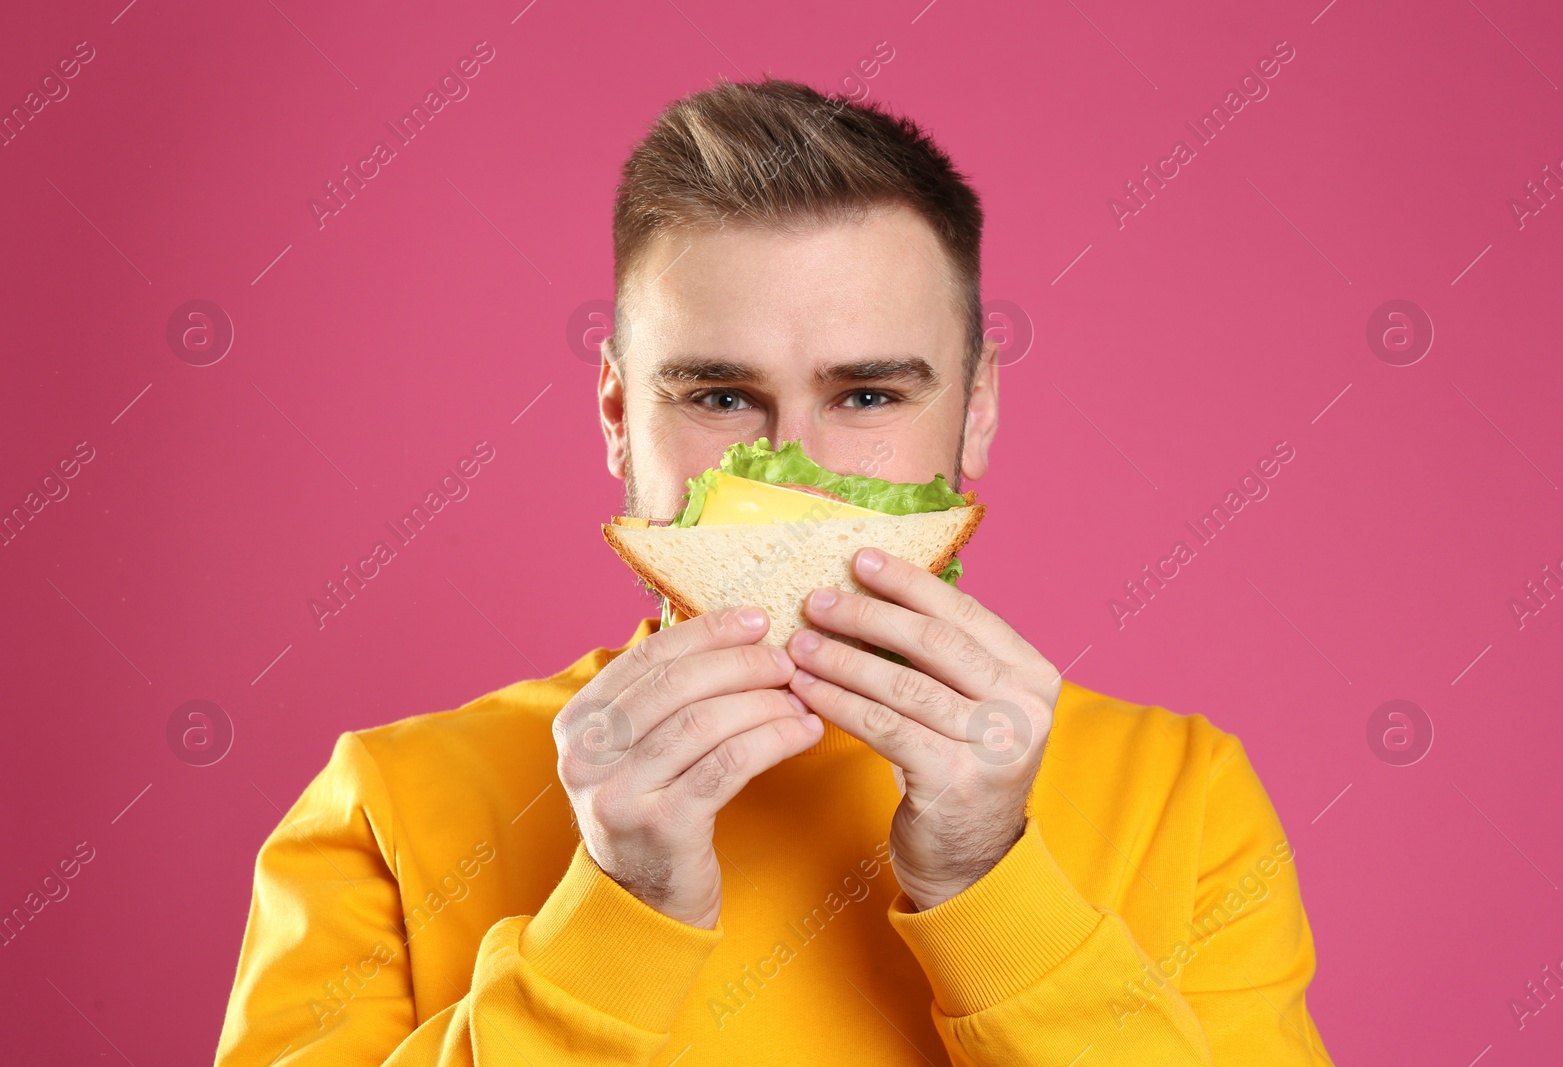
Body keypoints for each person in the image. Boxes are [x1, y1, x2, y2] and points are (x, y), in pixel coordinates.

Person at [214, 75, 1334, 1065]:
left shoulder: (1187, 795)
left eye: (868, 395)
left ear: (977, 405)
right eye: (716, 395)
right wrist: (618, 911)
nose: (791, 464)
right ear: (614, 413)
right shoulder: (384, 802)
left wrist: (989, 881)